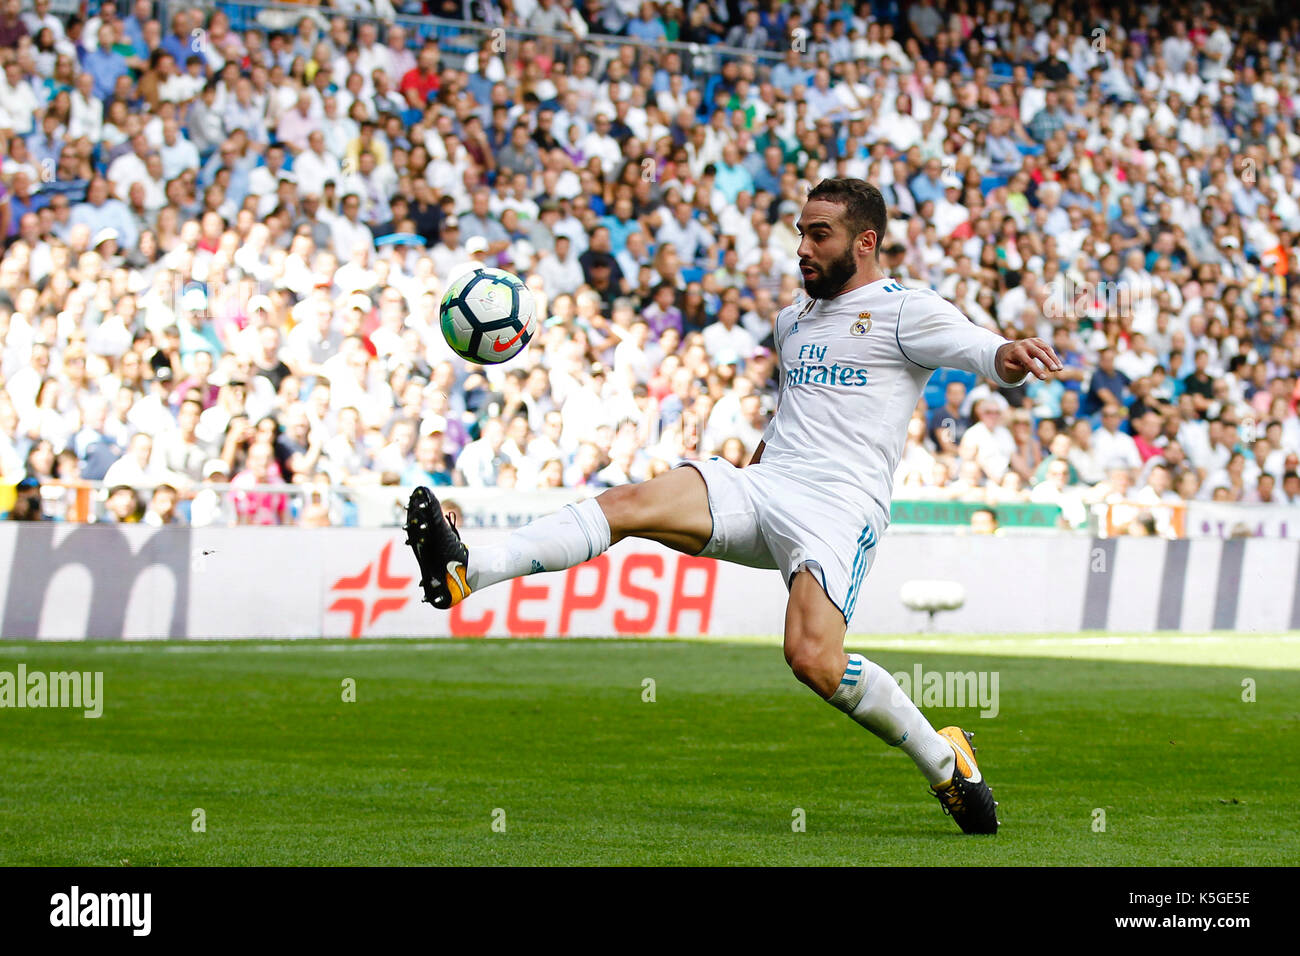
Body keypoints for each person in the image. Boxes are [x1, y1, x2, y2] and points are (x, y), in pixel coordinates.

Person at [405, 178, 1063, 835]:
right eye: (800, 232)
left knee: (813, 660)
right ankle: (469, 569)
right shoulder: (795, 319)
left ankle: (945, 761)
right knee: (630, 501)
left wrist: (1010, 355)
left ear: (865, 242)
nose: (802, 247)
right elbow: (797, 412)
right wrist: (752, 464)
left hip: (839, 506)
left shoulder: (905, 310)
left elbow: (979, 349)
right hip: (766, 482)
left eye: (819, 234)